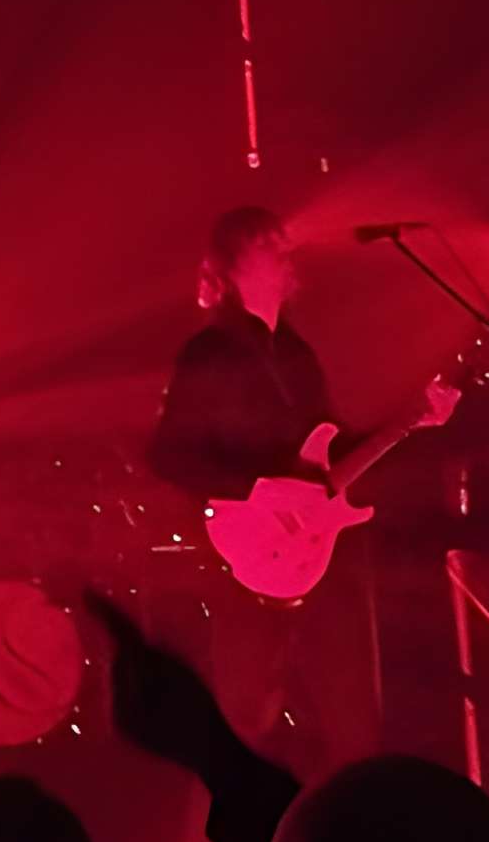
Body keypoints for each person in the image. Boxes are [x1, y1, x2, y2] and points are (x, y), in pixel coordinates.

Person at [145, 206, 452, 775]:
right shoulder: (208, 353)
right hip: (242, 560)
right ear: (234, 265)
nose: (286, 252)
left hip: (320, 557)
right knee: (242, 729)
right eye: (270, 243)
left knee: (354, 721)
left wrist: (415, 418)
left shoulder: (298, 356)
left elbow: (327, 458)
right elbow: (168, 455)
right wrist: (256, 489)